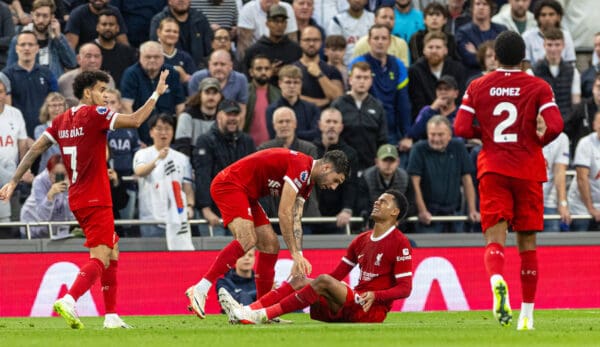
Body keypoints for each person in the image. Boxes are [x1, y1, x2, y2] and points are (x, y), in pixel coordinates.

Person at [0, 69, 170, 329]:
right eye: (102, 90)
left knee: (112, 249)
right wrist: (157, 93)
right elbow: (136, 120)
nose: (106, 96)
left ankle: (111, 315)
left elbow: (35, 148)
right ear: (88, 92)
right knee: (100, 255)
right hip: (96, 198)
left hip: (77, 196)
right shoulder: (95, 114)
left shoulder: (62, 120)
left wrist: (13, 180)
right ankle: (70, 298)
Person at [454, 31, 563, 330]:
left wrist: (485, 135)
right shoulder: (538, 85)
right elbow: (556, 125)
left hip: (494, 168)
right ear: (523, 57)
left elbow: (461, 127)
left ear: (496, 57)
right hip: (527, 167)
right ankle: (526, 316)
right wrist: (538, 140)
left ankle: (497, 280)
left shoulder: (477, 85)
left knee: (495, 237)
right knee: (527, 243)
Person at [185, 148, 349, 319]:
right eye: (336, 180)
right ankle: (200, 288)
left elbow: (295, 217)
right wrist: (293, 253)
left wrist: (299, 254)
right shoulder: (301, 167)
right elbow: (284, 212)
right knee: (247, 239)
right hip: (229, 184)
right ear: (326, 168)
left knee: (271, 245)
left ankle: (261, 311)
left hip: (247, 193)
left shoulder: (308, 183)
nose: (333, 187)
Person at [219, 189, 412, 324]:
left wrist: (376, 295)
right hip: (353, 302)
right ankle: (248, 310)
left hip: (372, 310)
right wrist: (315, 286)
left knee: (322, 281)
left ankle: (263, 315)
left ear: (395, 212)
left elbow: (405, 288)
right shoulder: (361, 239)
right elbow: (336, 276)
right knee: (301, 279)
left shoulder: (400, 243)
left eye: (383, 201)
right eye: (377, 199)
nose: (377, 202)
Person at [192, 99, 255, 236]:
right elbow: (203, 176)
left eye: (235, 114)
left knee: (243, 256)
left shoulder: (247, 141)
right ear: (219, 116)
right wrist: (205, 208)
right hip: (215, 214)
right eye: (228, 114)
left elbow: (254, 177)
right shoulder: (206, 140)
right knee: (216, 254)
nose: (232, 118)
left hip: (241, 213)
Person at [407, 115, 478, 233]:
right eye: (432, 134)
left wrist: (472, 210)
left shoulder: (458, 146)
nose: (436, 138)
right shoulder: (418, 149)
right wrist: (422, 211)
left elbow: (467, 179)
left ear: (449, 135)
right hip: (429, 216)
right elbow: (414, 183)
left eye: (440, 134)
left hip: (455, 214)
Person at [133, 113, 195, 248]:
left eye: (167, 129)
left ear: (173, 132)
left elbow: (187, 188)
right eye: (159, 129)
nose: (163, 133)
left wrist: (189, 206)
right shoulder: (142, 154)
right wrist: (158, 159)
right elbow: (140, 172)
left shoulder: (182, 158)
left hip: (177, 220)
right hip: (150, 220)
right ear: (151, 132)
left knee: (177, 262)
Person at [331, 61, 387, 172]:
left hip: (370, 168)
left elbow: (382, 139)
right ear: (350, 80)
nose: (362, 81)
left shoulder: (378, 106)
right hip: (344, 168)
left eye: (366, 78)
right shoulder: (338, 105)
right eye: (358, 77)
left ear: (371, 81)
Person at [7, 0, 77, 78]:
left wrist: (58, 38)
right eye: (37, 15)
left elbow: (72, 63)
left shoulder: (58, 38)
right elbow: (10, 69)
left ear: (52, 17)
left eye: (45, 16)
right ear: (32, 15)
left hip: (53, 86)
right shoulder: (19, 39)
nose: (41, 20)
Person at [20, 154, 74, 239]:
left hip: (58, 231)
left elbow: (72, 215)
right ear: (48, 171)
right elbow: (43, 217)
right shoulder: (39, 181)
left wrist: (70, 192)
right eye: (55, 174)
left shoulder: (72, 180)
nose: (59, 178)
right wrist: (50, 195)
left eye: (63, 174)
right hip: (33, 228)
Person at [532, 27, 581, 120]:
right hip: (542, 123)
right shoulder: (532, 72)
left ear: (563, 45)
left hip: (567, 123)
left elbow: (576, 103)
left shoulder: (573, 72)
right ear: (544, 45)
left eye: (557, 45)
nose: (553, 49)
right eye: (549, 45)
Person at [149, 0, 213, 67]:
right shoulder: (158, 20)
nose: (181, 0)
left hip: (198, 70)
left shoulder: (200, 19)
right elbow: (155, 50)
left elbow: (208, 52)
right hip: (168, 70)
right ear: (169, 1)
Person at [173, 77, 223, 157]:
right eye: (207, 93)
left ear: (220, 96)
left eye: (214, 93)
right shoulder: (187, 115)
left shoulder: (224, 114)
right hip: (193, 160)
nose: (211, 97)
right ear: (200, 95)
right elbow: (182, 145)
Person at [244, 55, 281, 147]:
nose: (263, 72)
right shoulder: (243, 92)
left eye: (266, 68)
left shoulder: (278, 93)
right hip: (249, 148)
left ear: (271, 71)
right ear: (251, 72)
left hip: (272, 147)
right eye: (259, 69)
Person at [94, 9, 137, 87]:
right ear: (97, 27)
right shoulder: (90, 51)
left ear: (117, 28)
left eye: (111, 24)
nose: (108, 28)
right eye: (104, 24)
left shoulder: (128, 52)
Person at [327, 0, 374, 65]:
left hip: (370, 68)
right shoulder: (337, 21)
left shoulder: (373, 19)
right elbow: (333, 51)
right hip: (345, 68)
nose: (357, 1)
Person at [542, 132, 570, 231]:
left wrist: (563, 203)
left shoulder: (560, 137)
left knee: (551, 243)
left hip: (548, 202)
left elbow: (560, 172)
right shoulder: (520, 132)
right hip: (523, 202)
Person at [34, 92, 66, 174]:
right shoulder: (39, 129)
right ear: (47, 108)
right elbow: (43, 146)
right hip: (46, 172)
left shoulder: (71, 127)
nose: (57, 109)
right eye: (53, 105)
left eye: (60, 105)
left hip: (66, 171)